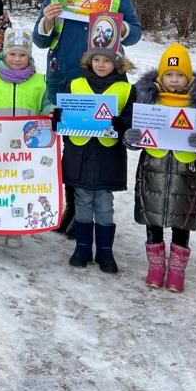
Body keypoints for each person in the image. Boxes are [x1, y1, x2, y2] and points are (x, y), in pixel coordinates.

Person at [33, 0, 141, 237]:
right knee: (71, 144)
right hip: (65, 77)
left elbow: (135, 31)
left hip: (102, 81)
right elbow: (40, 41)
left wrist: (115, 26)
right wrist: (47, 20)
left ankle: (95, 211)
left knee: (100, 142)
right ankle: (73, 208)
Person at [124, 44, 196, 292]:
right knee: (151, 217)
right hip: (152, 168)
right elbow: (136, 137)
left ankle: (177, 269)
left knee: (182, 220)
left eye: (180, 75)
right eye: (169, 74)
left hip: (186, 173)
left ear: (189, 77)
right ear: (160, 77)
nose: (174, 80)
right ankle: (155, 266)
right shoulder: (147, 100)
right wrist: (131, 138)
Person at [53, 46, 134, 273]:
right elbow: (64, 117)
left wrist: (122, 125)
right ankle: (82, 248)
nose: (100, 64)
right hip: (79, 154)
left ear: (117, 65)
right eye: (96, 60)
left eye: (106, 61)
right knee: (82, 201)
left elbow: (132, 122)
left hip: (108, 157)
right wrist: (58, 119)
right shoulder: (75, 84)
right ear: (89, 62)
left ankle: (105, 252)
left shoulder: (126, 89)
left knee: (104, 204)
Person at [0, 28, 53, 248]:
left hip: (26, 150)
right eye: (13, 54)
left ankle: (15, 227)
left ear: (29, 56)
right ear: (4, 54)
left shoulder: (40, 81)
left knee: (20, 188)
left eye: (22, 55)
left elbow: (46, 105)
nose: (17, 59)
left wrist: (52, 111)